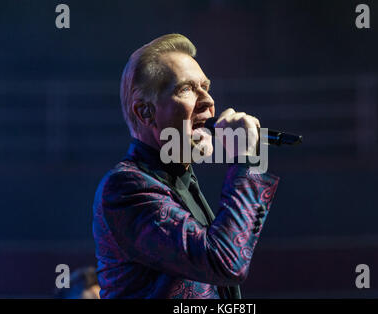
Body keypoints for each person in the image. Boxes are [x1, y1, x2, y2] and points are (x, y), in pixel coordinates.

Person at [92, 33, 279, 299]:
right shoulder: (126, 188)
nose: (209, 101)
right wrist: (247, 160)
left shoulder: (180, 180)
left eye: (206, 86)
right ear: (145, 112)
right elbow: (224, 261)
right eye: (187, 89)